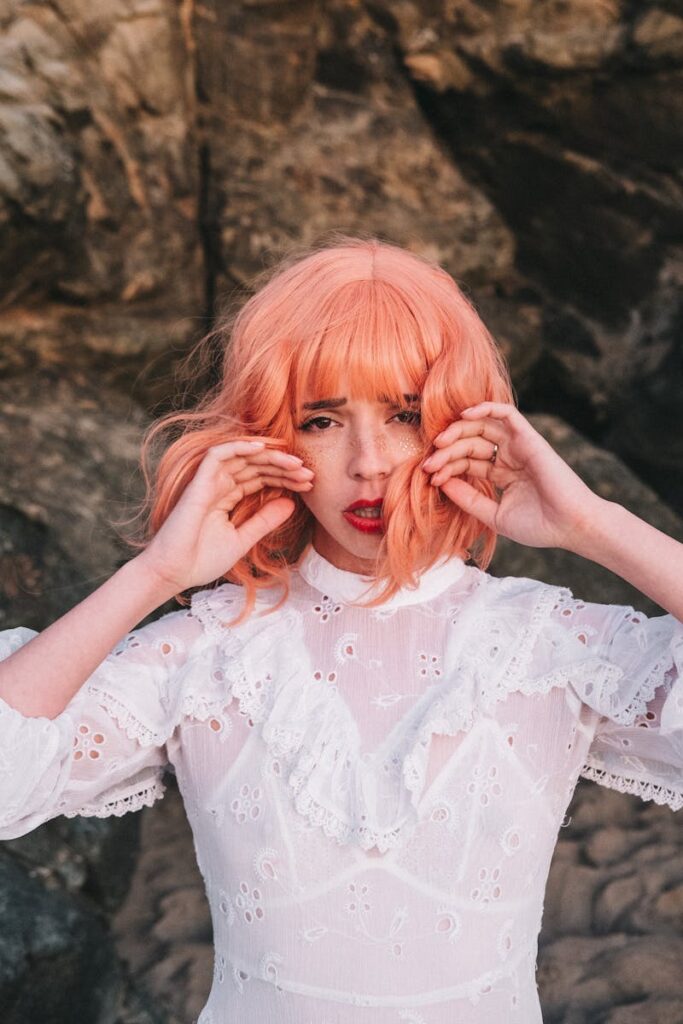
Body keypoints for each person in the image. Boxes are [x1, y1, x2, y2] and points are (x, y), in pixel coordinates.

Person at [0, 236, 681, 1024]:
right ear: (272, 440)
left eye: (405, 415)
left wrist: (592, 524)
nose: (368, 463)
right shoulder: (209, 651)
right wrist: (157, 573)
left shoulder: (545, 644)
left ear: (463, 426)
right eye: (321, 419)